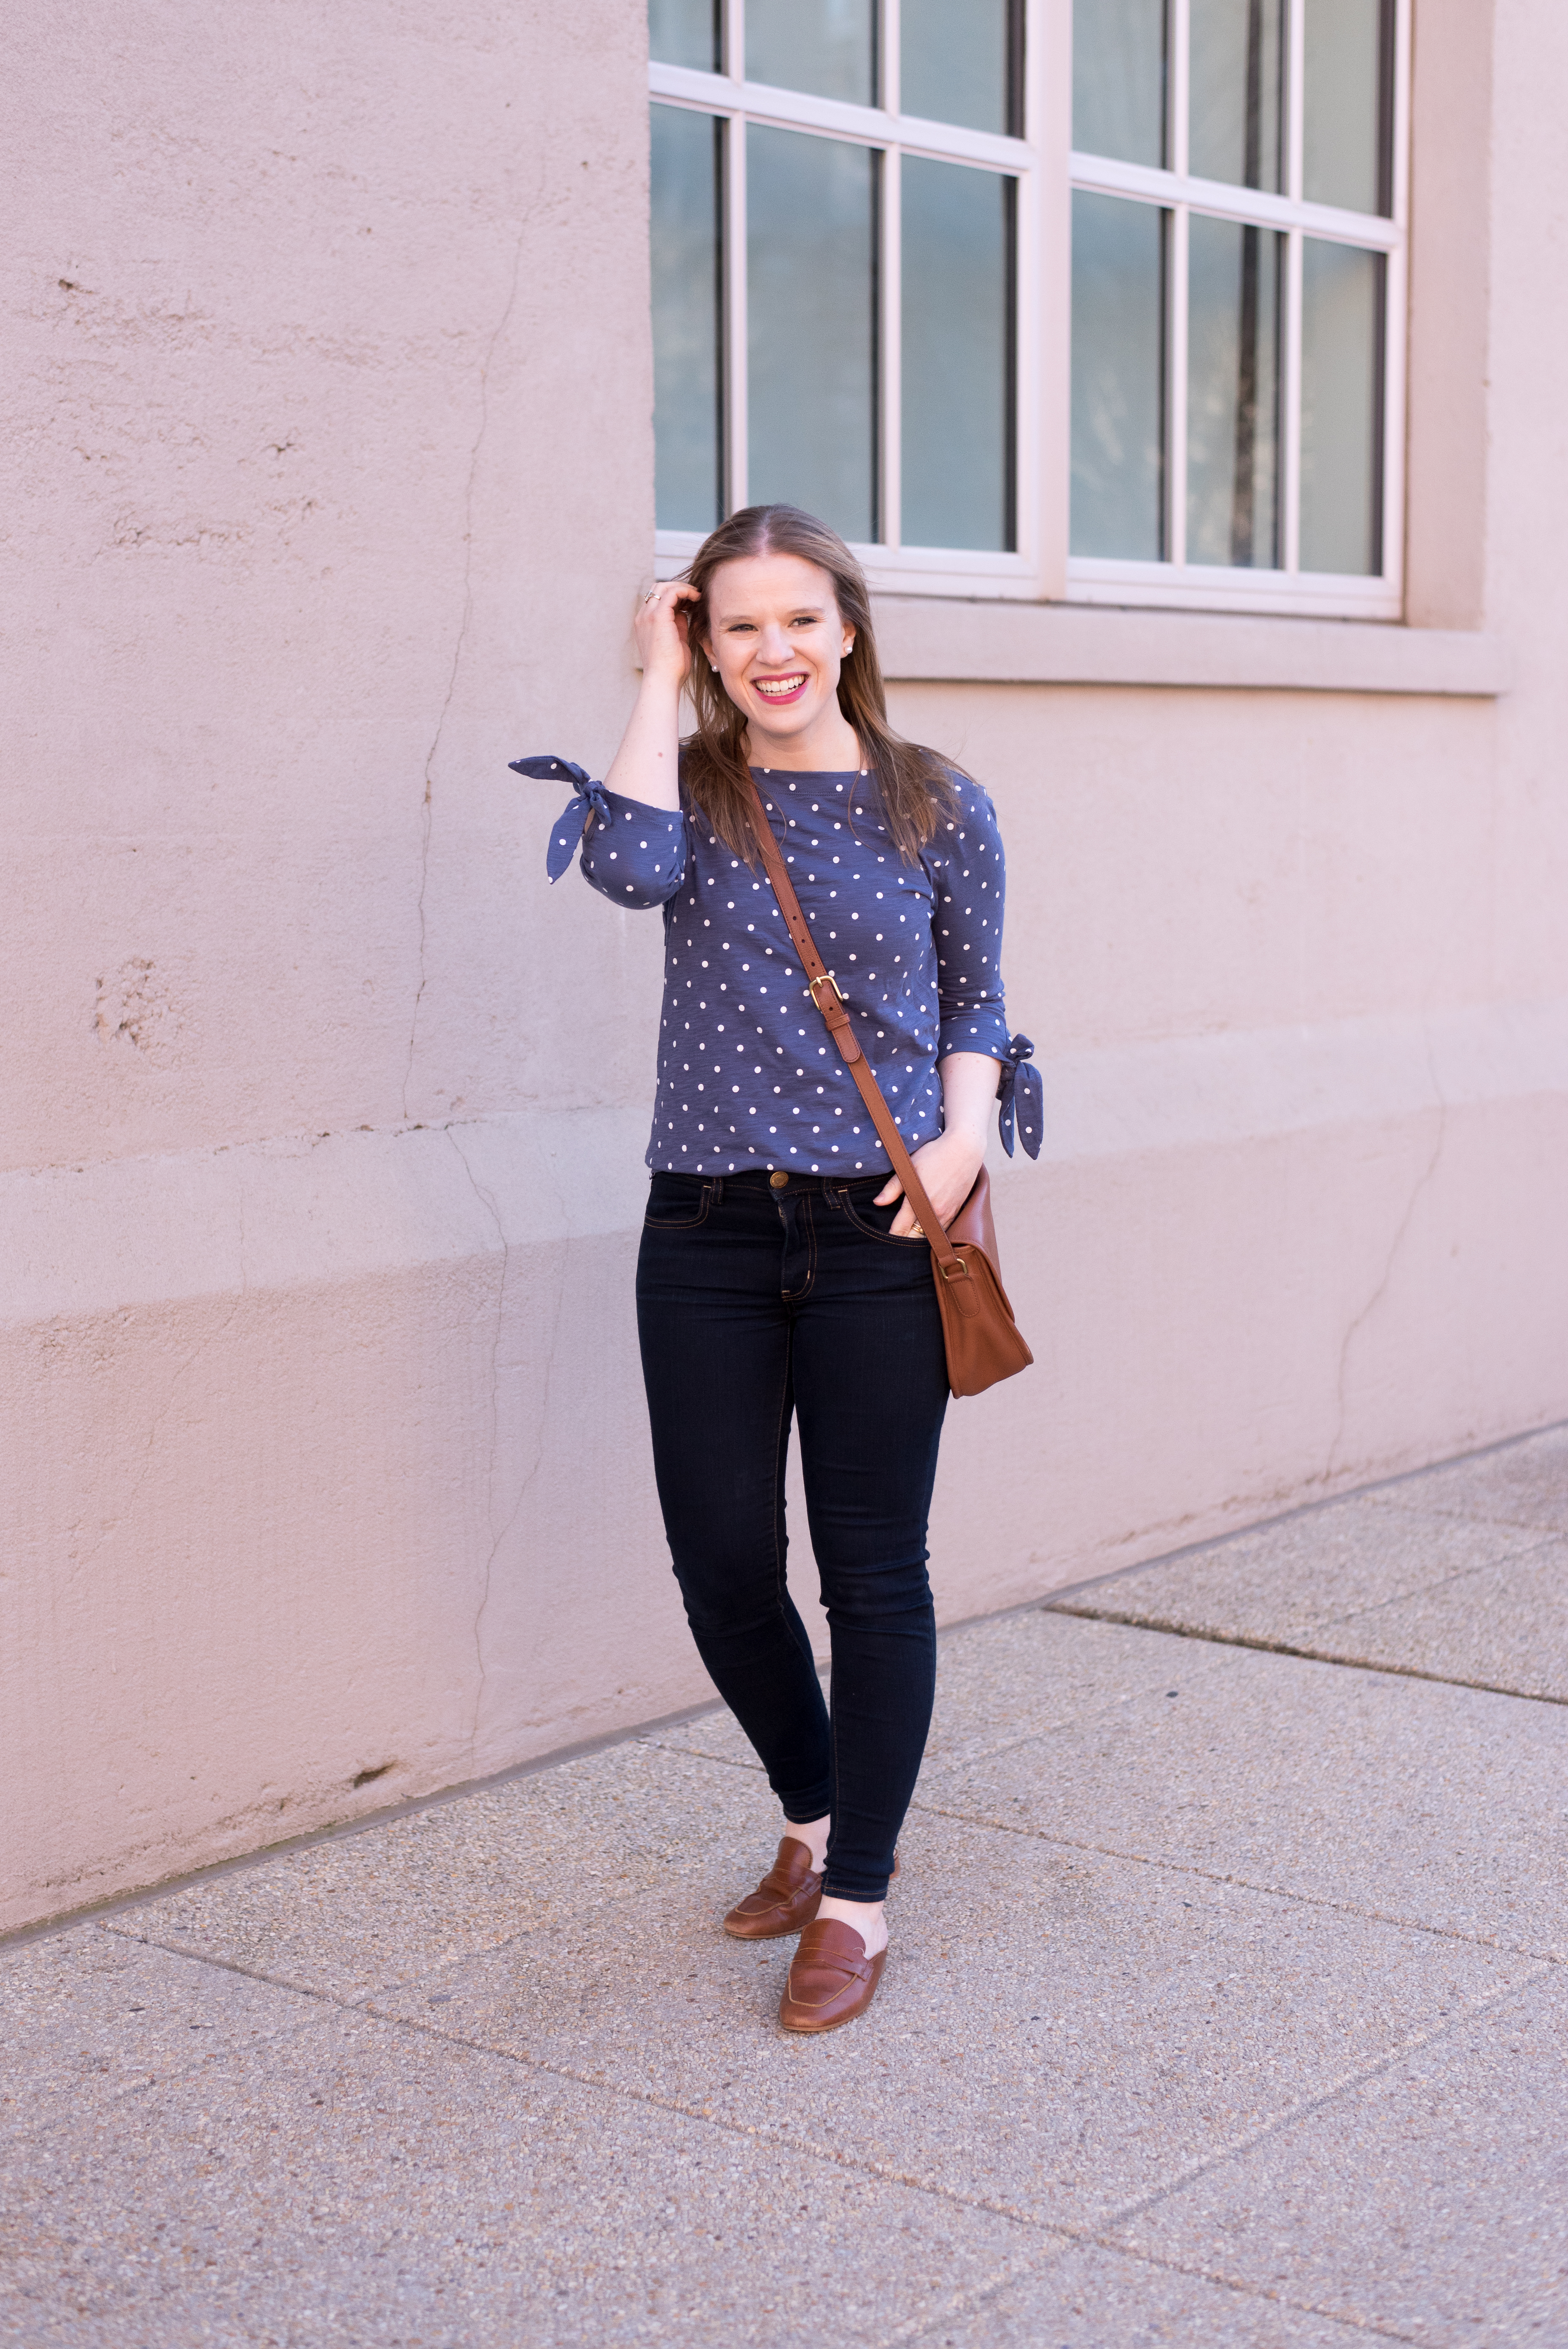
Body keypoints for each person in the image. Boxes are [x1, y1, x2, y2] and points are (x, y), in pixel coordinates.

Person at [517, 504, 1039, 2034]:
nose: (775, 651)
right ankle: (809, 1811)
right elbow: (619, 875)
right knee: (726, 1564)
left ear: (849, 631)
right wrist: (648, 683)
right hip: (706, 1235)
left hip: (881, 1227)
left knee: (875, 1574)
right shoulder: (686, 791)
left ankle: (859, 1892)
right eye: (737, 625)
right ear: (706, 642)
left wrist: (959, 1148)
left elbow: (976, 997)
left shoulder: (935, 801)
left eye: (798, 619)